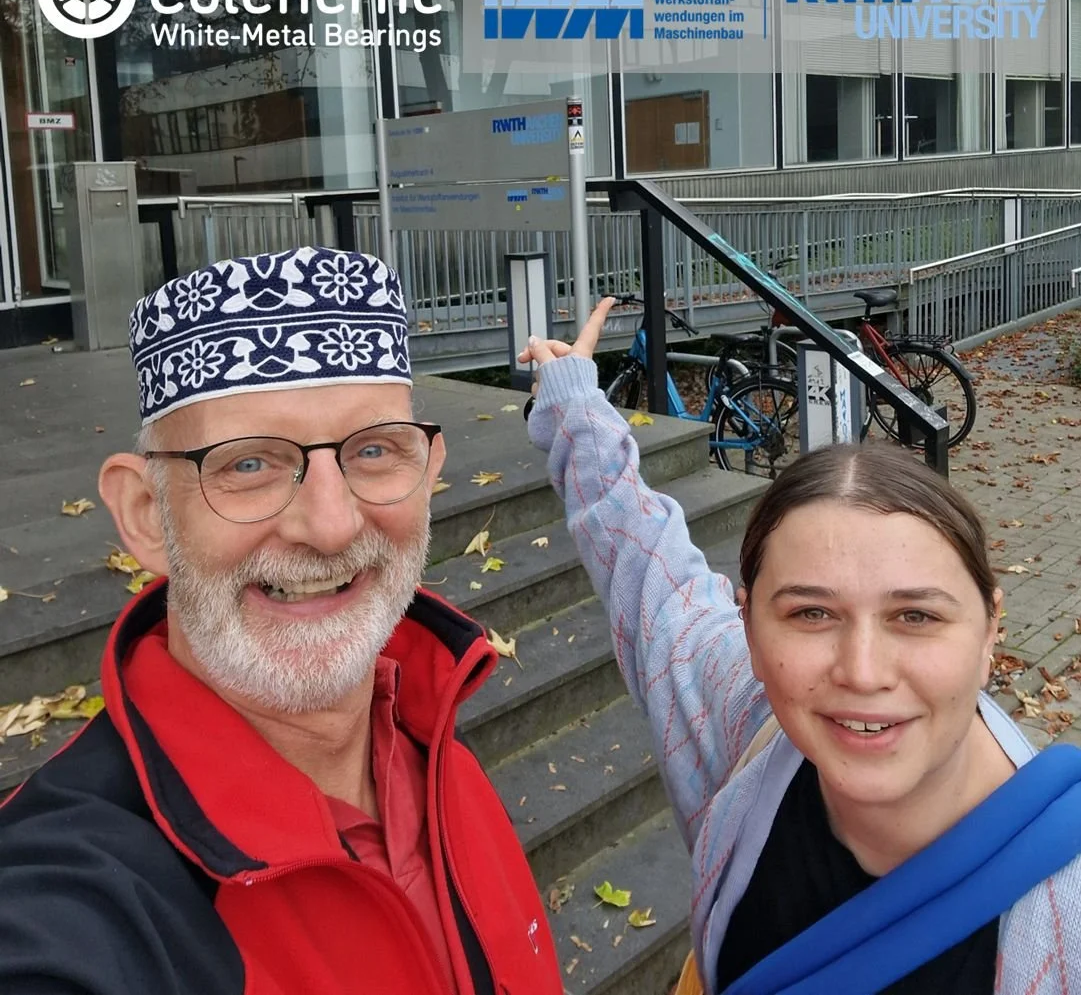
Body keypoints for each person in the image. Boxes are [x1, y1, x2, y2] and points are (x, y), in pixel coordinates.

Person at [0, 247, 563, 995]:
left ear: (427, 473)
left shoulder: (430, 743)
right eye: (248, 464)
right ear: (145, 514)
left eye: (372, 450)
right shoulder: (71, 897)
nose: (330, 526)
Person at [518, 298, 1081, 995]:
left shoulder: (1065, 914)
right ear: (749, 626)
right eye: (811, 612)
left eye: (914, 616)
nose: (862, 671)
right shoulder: (749, 725)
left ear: (991, 628)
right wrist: (574, 402)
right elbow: (642, 565)